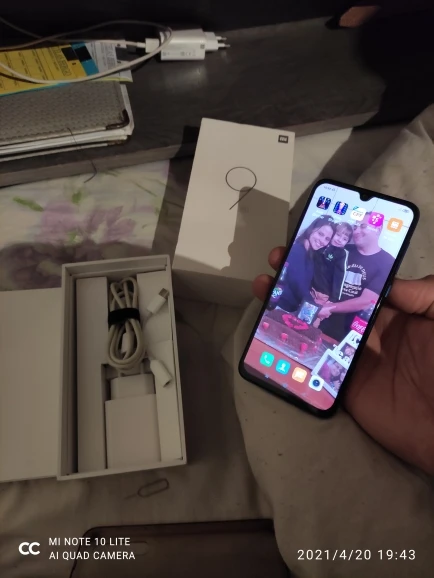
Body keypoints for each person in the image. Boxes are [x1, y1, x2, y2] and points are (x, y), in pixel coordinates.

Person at [253, 246, 434, 477]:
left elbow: (369, 299)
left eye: (367, 227)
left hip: (350, 335)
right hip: (330, 330)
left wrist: (329, 307)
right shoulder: (340, 250)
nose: (359, 231)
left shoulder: (382, 260)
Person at [318, 212, 395, 341]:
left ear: (378, 229)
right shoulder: (343, 249)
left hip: (348, 332)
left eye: (363, 226)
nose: (356, 231)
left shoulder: (388, 262)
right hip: (319, 316)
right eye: (355, 227)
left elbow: (367, 301)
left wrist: (327, 308)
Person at [277, 216, 335, 313]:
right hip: (278, 306)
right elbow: (298, 284)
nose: (322, 241)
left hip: (289, 308)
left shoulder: (310, 255)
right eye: (320, 234)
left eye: (327, 239)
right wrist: (316, 309)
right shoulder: (296, 250)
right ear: (311, 229)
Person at [311, 221, 353, 305]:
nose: (340, 240)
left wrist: (334, 298)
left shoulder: (342, 253)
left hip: (322, 293)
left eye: (344, 239)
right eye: (338, 235)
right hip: (308, 285)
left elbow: (340, 276)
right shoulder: (322, 243)